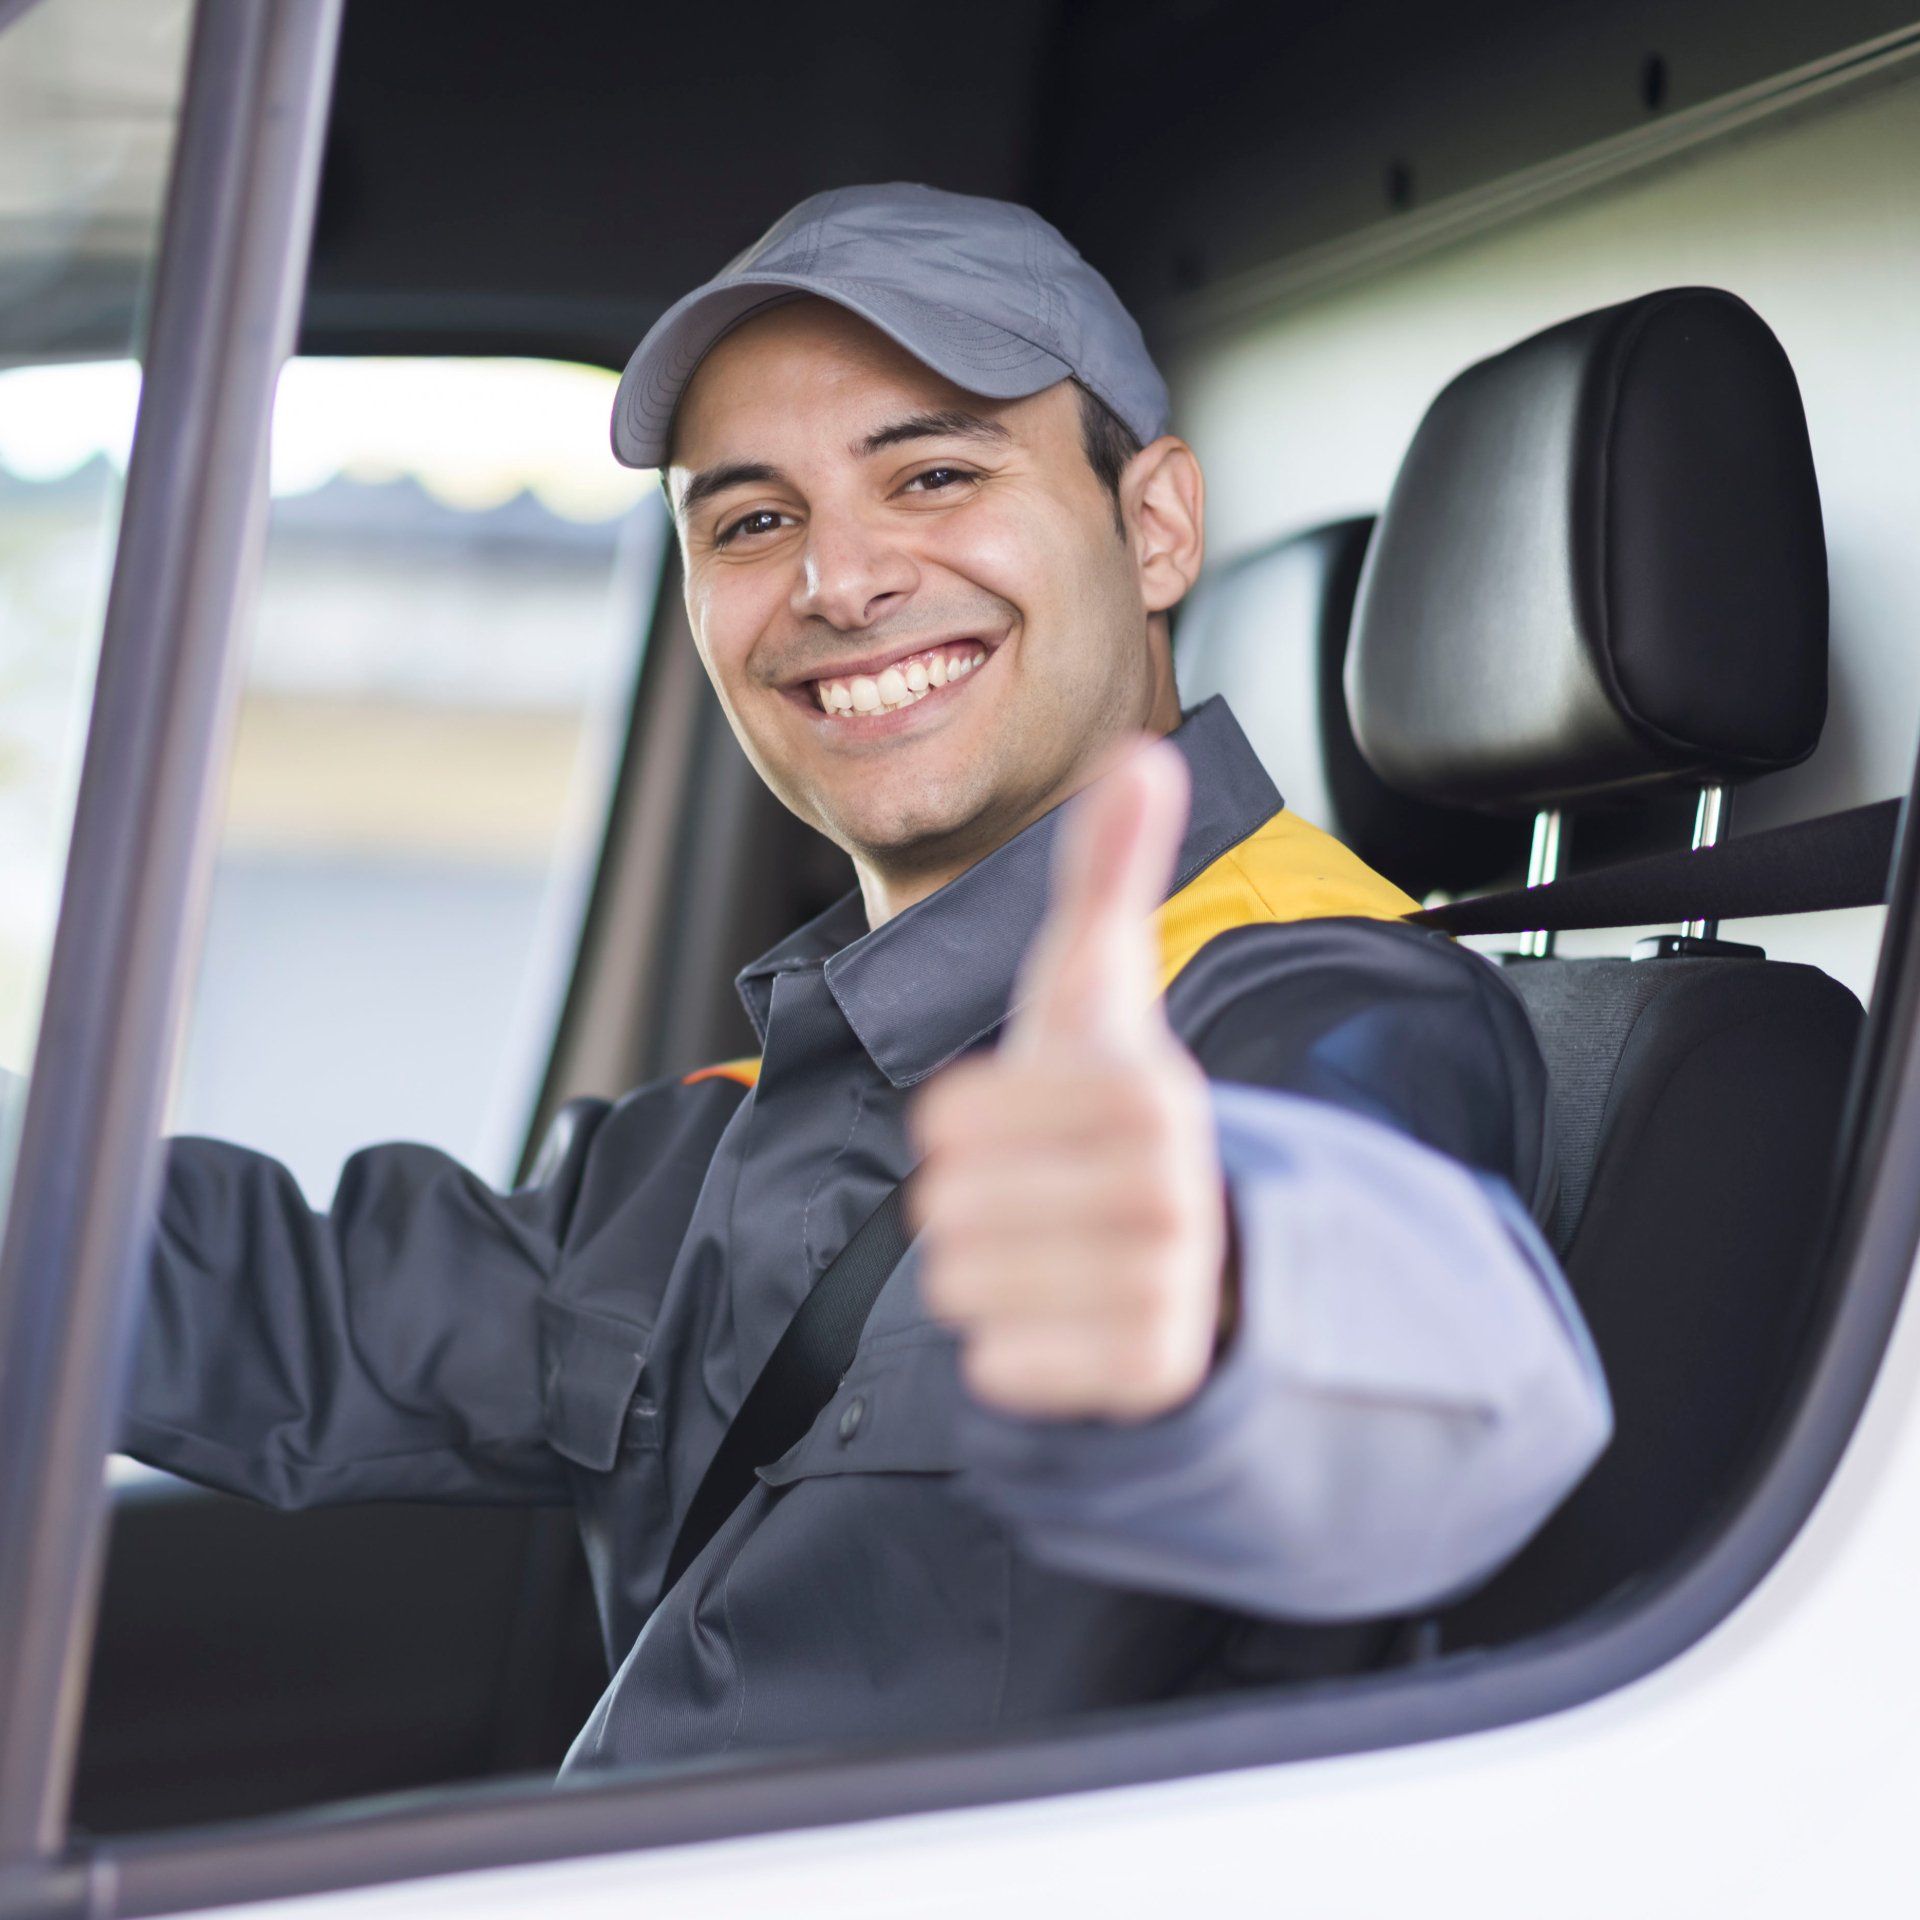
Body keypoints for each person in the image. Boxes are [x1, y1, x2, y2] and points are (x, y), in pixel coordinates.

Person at [125, 183, 1610, 1775]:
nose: (840, 578)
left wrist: (1234, 1300)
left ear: (1156, 523)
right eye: (753, 520)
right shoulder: (767, 1103)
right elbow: (286, 1312)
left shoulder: (1310, 1000)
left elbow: (1409, 1358)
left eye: (938, 472)